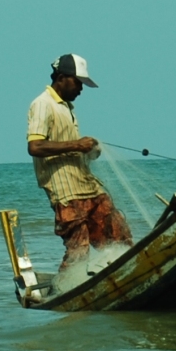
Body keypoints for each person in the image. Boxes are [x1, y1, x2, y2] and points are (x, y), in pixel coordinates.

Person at [26, 53, 133, 272]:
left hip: (87, 186)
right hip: (66, 193)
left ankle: (125, 274)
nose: (81, 89)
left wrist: (88, 150)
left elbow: (69, 147)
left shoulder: (66, 107)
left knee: (118, 234)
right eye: (78, 82)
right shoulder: (42, 104)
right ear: (61, 78)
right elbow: (35, 147)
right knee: (79, 249)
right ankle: (66, 287)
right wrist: (77, 145)